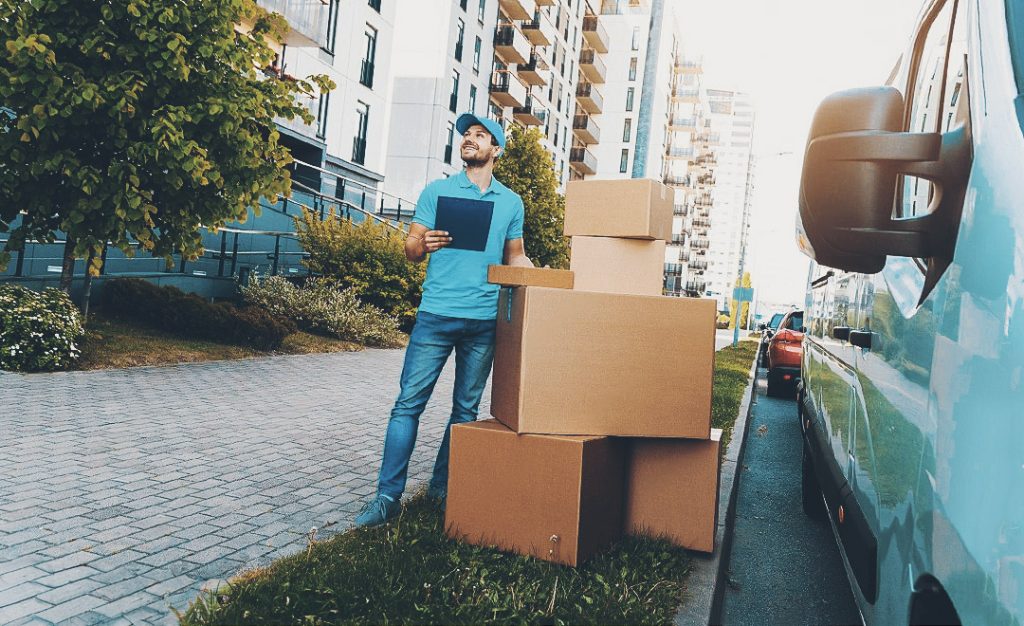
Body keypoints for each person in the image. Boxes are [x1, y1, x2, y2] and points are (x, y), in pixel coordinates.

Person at [355, 113, 533, 527]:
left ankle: (442, 489)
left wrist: (536, 276)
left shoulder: (511, 202)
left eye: (479, 135)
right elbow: (411, 248)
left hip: (485, 320)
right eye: (466, 135)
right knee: (408, 405)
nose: (469, 139)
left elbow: (515, 255)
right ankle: (386, 498)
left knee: (465, 411)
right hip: (436, 315)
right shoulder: (437, 191)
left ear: (497, 150)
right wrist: (423, 243)